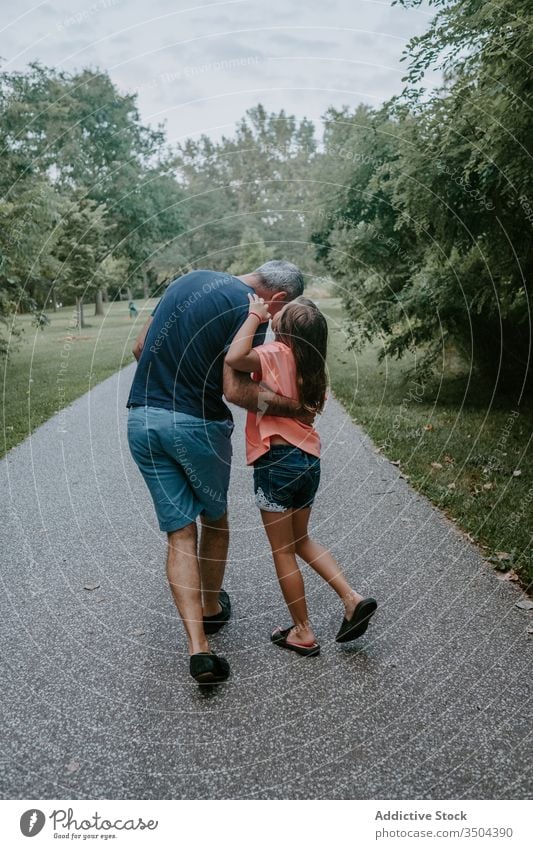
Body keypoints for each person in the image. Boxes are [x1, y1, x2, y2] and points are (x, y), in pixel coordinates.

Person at [127, 262, 308, 684]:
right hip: (196, 426)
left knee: (179, 532)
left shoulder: (186, 279)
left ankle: (198, 648)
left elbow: (140, 348)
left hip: (141, 420)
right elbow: (234, 389)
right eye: (283, 311)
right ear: (278, 298)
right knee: (215, 519)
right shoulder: (252, 311)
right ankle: (211, 608)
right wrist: (292, 407)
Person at [225, 294, 377, 656]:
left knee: (282, 552)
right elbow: (281, 404)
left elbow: (234, 358)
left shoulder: (278, 352)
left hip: (276, 460)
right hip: (308, 460)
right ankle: (351, 598)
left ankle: (303, 632)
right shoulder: (314, 369)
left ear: (288, 332)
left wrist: (253, 316)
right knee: (300, 541)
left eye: (282, 316)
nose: (275, 317)